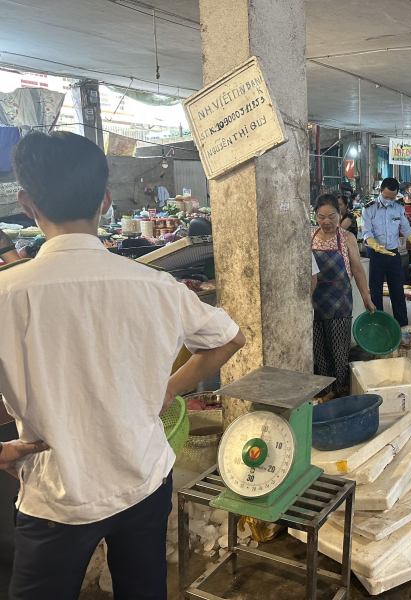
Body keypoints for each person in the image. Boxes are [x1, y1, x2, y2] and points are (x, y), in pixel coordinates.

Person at [1, 131, 246, 598]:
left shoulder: (8, 295)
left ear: (27, 203)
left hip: (59, 496)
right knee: (143, 590)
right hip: (143, 478)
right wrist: (170, 389)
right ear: (107, 200)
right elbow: (230, 338)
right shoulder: (156, 285)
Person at [312, 194, 376, 399]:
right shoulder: (310, 238)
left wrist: (366, 297)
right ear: (315, 216)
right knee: (319, 353)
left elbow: (357, 270)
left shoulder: (346, 238)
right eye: (321, 217)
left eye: (331, 216)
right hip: (314, 303)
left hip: (340, 302)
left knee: (339, 353)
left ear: (340, 215)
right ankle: (324, 394)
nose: (326, 221)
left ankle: (341, 394)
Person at [361, 177, 411, 326]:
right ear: (379, 191)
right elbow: (366, 232)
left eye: (392, 197)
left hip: (393, 254)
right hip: (375, 255)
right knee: (376, 293)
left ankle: (402, 328)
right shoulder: (368, 208)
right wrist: (374, 245)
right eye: (386, 196)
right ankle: (378, 326)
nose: (389, 200)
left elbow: (406, 228)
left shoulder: (398, 208)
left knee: (398, 291)